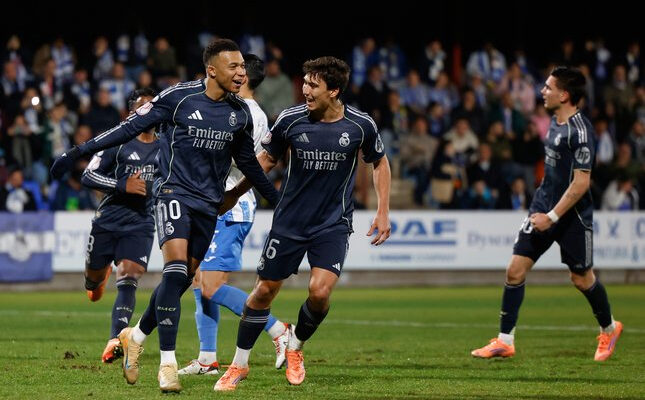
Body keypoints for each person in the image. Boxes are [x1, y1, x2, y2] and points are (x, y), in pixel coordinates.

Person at [50, 38, 280, 393]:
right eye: (233, 66)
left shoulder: (239, 113)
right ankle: (167, 365)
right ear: (211, 70)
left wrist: (276, 200)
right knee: (174, 271)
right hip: (172, 194)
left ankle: (135, 336)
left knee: (181, 280)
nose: (241, 73)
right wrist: (77, 152)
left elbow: (248, 163)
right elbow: (127, 128)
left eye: (242, 67)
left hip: (208, 206)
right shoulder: (179, 98)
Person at [214, 56, 392, 391]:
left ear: (333, 91)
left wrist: (383, 210)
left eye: (313, 85)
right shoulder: (290, 119)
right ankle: (239, 365)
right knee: (263, 292)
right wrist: (235, 193)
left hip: (332, 224)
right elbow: (266, 159)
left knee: (320, 292)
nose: (305, 90)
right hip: (290, 223)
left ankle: (295, 345)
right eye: (305, 83)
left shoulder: (360, 125)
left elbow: (379, 162)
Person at [470, 66, 622, 361]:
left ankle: (609, 328)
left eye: (549, 87)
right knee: (514, 270)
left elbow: (581, 183)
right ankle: (505, 341)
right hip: (542, 207)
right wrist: (543, 208)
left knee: (581, 279)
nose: (543, 91)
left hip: (572, 216)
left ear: (564, 95)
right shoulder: (553, 122)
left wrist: (552, 217)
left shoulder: (580, 132)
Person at [178, 54, 290, 377]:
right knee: (199, 280)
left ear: (244, 78)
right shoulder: (244, 110)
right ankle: (207, 359)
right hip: (215, 204)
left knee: (211, 286)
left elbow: (242, 162)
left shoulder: (246, 113)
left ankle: (278, 329)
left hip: (231, 206)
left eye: (237, 69)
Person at [79, 88, 158, 364]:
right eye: (142, 107)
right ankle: (98, 279)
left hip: (141, 222)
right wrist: (122, 185)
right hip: (109, 220)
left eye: (152, 107)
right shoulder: (117, 142)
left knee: (129, 276)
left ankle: (115, 339)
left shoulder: (167, 146)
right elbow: (88, 175)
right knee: (93, 283)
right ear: (131, 112)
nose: (148, 112)